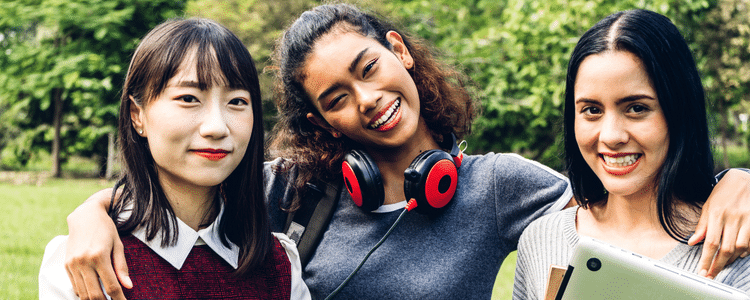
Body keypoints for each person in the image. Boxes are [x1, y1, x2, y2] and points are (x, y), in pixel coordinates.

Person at [62, 4, 750, 300]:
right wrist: (90, 215)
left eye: (366, 68)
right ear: (324, 123)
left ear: (397, 51)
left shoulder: (498, 186)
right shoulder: (293, 188)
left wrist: (732, 182)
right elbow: (193, 177)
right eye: (335, 98)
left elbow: (616, 183)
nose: (364, 99)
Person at [38, 18, 310, 300]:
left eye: (237, 101)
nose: (217, 127)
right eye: (189, 98)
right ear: (137, 115)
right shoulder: (87, 260)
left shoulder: (279, 265)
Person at [512, 9, 750, 299]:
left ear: (679, 112)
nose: (611, 136)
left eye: (636, 108)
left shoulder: (735, 244)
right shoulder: (541, 239)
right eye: (592, 110)